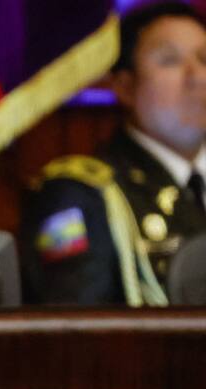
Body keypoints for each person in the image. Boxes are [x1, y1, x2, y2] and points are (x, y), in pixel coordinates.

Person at [20, 1, 206, 305]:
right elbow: (80, 335)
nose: (197, 76)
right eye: (170, 60)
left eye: (205, 58)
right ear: (125, 86)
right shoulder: (79, 195)